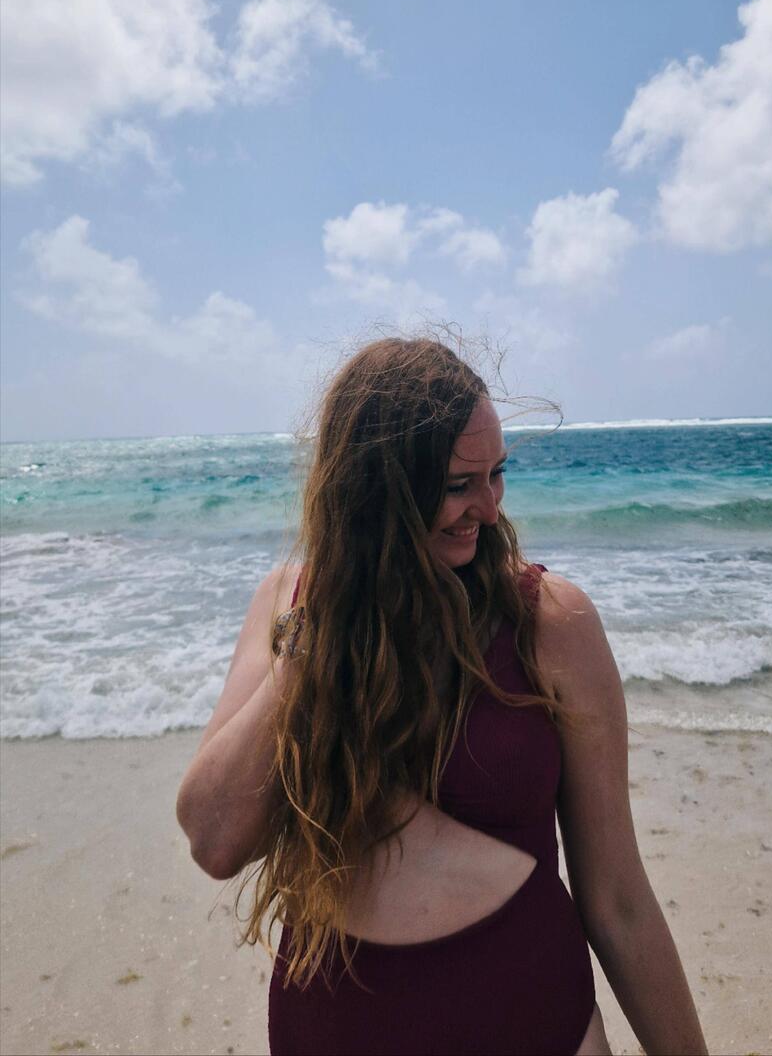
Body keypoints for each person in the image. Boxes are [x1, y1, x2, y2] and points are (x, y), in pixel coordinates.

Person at [177, 337, 708, 1056]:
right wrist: (328, 625)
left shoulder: (549, 622)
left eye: (498, 474)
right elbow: (214, 838)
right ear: (375, 491)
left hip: (533, 1022)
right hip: (337, 1030)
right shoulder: (289, 607)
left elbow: (617, 899)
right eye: (459, 484)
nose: (487, 509)